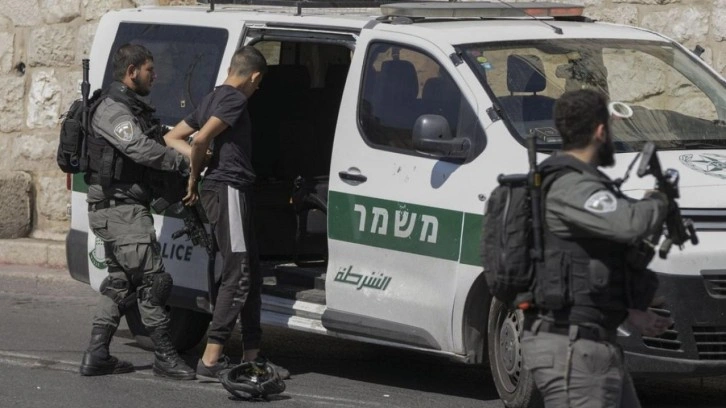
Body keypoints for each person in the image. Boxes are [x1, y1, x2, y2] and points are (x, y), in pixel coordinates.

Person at [520, 89, 674, 407]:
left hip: (593, 343)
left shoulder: (580, 182)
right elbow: (628, 223)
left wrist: (631, 312)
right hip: (573, 352)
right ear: (601, 131)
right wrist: (658, 201)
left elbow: (588, 262)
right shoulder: (572, 185)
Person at [164, 46, 288, 380]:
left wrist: (200, 160)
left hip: (232, 190)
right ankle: (211, 359)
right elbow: (200, 139)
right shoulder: (235, 99)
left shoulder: (212, 97)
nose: (257, 89)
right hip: (228, 188)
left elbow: (172, 137)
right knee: (239, 273)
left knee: (251, 273)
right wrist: (195, 175)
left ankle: (252, 356)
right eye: (258, 84)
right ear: (254, 76)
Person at [79, 44, 196, 380]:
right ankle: (164, 357)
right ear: (132, 72)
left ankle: (97, 355)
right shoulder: (112, 110)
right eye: (149, 70)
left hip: (120, 209)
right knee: (152, 281)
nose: (154, 76)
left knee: (119, 284)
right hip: (121, 211)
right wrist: (180, 161)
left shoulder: (130, 107)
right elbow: (139, 148)